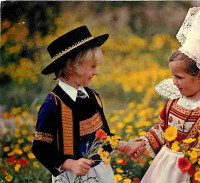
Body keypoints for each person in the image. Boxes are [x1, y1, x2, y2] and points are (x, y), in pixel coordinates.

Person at [126, 7, 200, 183]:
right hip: (164, 169)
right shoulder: (174, 101)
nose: (174, 82)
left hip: (192, 173)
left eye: (179, 77)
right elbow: (162, 130)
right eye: (173, 76)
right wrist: (141, 143)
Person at [31, 25, 143, 183]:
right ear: (71, 67)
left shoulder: (93, 97)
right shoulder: (53, 104)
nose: (96, 72)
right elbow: (40, 147)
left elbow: (103, 136)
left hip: (101, 172)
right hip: (71, 176)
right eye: (92, 67)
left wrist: (124, 146)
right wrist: (69, 163)